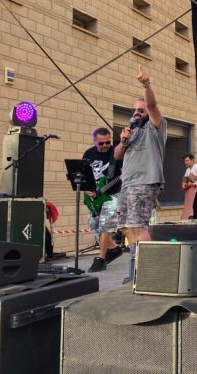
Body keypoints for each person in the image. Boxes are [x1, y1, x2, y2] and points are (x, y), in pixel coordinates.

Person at [114, 65, 167, 282]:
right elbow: (117, 155)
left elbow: (152, 106)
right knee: (126, 227)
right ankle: (137, 268)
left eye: (141, 110)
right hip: (127, 184)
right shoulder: (131, 133)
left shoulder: (155, 127)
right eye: (135, 110)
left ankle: (149, 273)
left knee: (138, 225)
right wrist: (123, 141)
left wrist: (146, 86)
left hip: (145, 182)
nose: (137, 113)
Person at [82, 127, 123, 272]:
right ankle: (114, 249)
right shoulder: (88, 153)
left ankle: (101, 259)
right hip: (94, 197)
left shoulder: (116, 152)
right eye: (101, 143)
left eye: (107, 142)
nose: (105, 145)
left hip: (112, 194)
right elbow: (83, 174)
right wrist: (86, 189)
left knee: (105, 225)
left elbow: (123, 174)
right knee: (95, 227)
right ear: (94, 141)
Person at [180, 154, 197, 220]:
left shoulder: (196, 167)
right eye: (185, 161)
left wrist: (194, 179)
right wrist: (183, 183)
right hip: (196, 191)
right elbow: (184, 177)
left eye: (187, 161)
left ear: (192, 160)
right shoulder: (188, 170)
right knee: (196, 209)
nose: (185, 162)